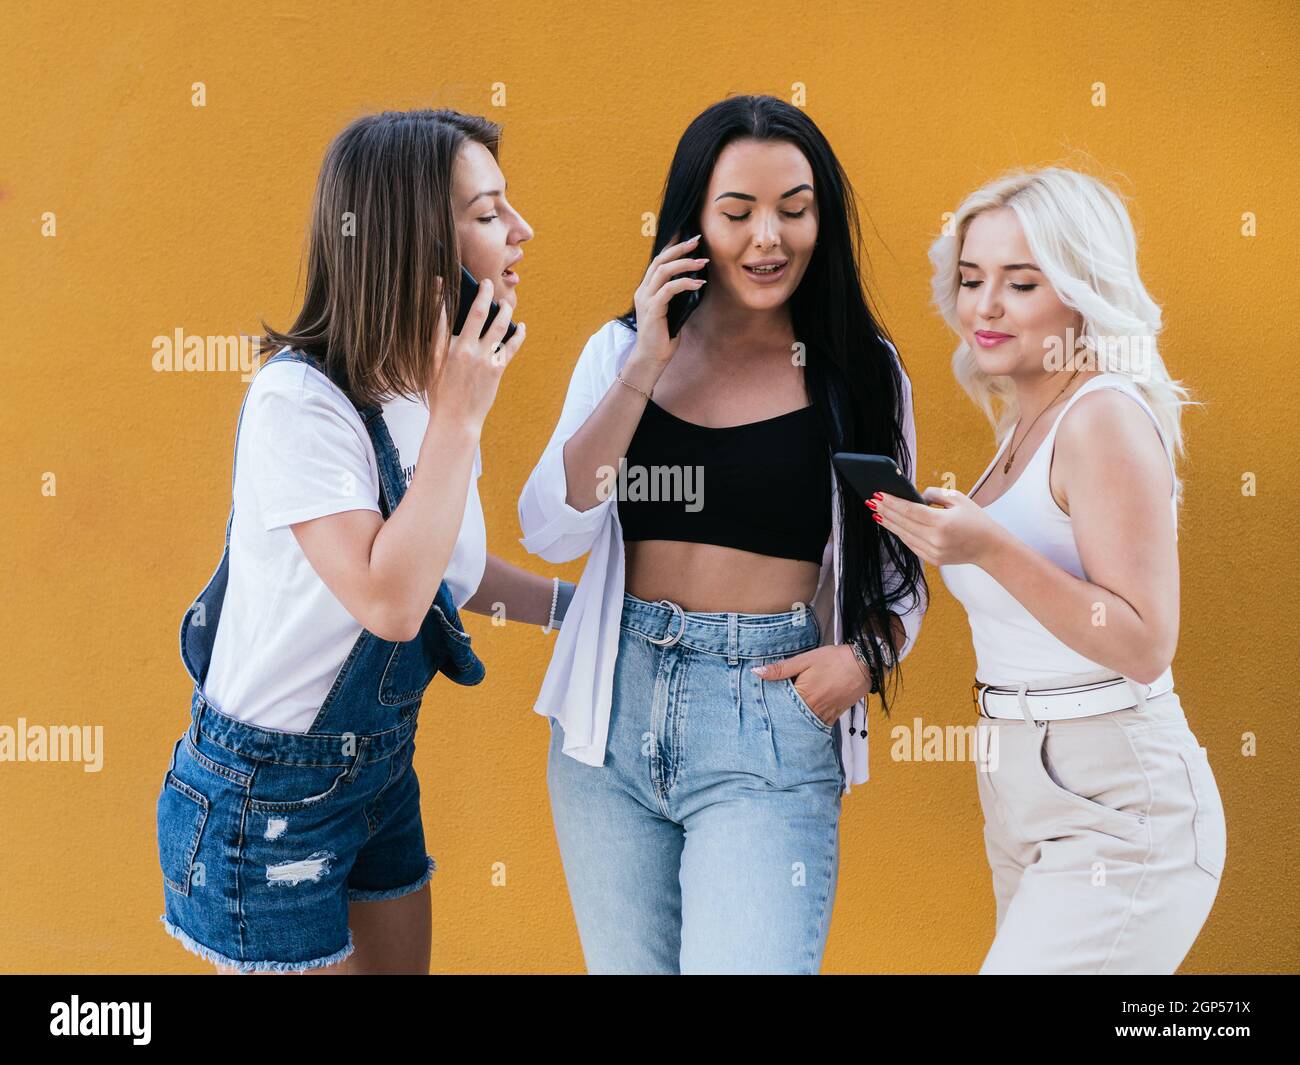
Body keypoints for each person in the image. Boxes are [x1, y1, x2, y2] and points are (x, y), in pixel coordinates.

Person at [518, 95, 927, 974]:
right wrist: (643, 368)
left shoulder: (858, 373)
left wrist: (862, 660)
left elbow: (900, 574)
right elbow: (551, 527)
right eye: (738, 213)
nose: (768, 238)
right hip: (611, 723)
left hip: (767, 715)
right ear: (694, 221)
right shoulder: (622, 349)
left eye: (795, 208)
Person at [155, 108, 568, 974]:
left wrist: (584, 610)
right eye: (490, 213)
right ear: (414, 240)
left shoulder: (431, 392)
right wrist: (460, 416)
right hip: (265, 795)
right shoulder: (299, 403)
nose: (523, 230)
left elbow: (440, 570)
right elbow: (388, 601)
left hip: (379, 774)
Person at [873, 166, 1226, 973]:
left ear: (1079, 291)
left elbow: (1142, 642)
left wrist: (988, 547)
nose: (983, 306)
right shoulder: (1027, 420)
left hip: (1118, 801)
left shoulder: (1100, 415)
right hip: (1023, 783)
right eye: (970, 279)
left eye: (1020, 282)